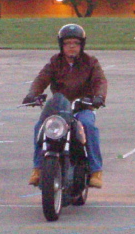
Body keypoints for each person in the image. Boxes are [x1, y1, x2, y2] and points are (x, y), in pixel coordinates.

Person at [22, 24, 108, 188]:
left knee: (88, 125)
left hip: (82, 106)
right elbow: (41, 79)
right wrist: (32, 94)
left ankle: (96, 170)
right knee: (40, 127)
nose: (71, 47)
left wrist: (99, 97)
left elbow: (100, 81)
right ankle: (38, 168)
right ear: (61, 45)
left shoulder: (90, 62)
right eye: (67, 43)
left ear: (82, 45)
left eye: (76, 43)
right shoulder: (55, 62)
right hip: (59, 107)